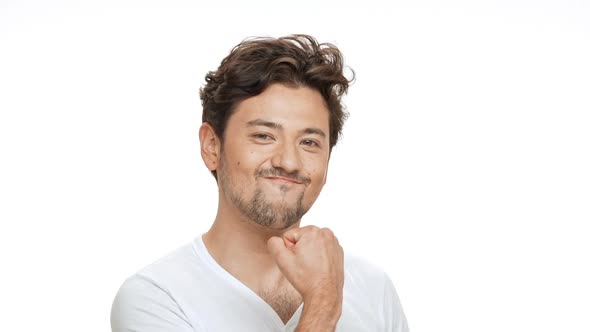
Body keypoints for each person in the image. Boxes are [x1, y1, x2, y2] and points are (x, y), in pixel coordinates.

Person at [111, 34, 409, 332]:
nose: (288, 161)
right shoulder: (156, 297)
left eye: (309, 142)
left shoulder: (374, 290)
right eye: (264, 136)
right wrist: (323, 303)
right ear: (212, 147)